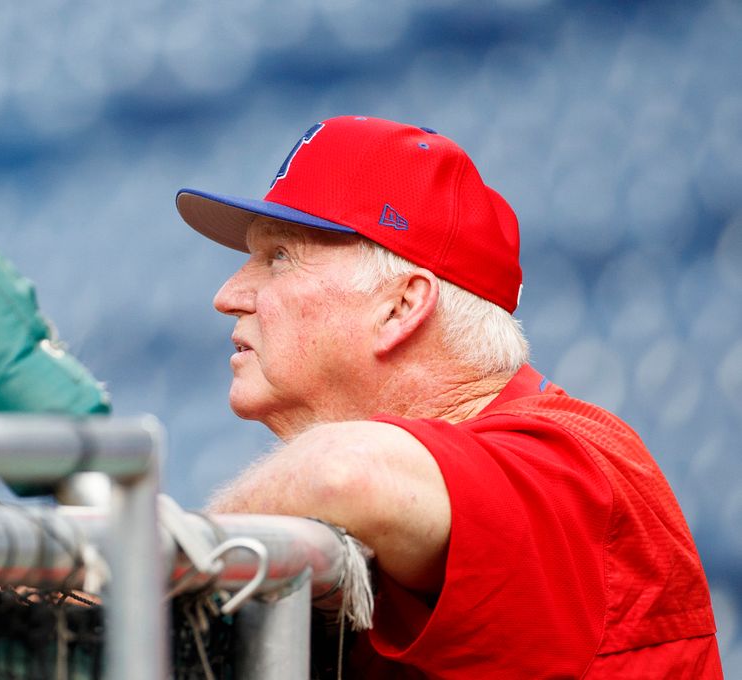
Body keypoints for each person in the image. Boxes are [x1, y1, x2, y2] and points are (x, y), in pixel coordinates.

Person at [175, 115, 722, 678]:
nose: (228, 294)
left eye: (279, 257)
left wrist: (152, 571)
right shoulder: (416, 502)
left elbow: (344, 474)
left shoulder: (576, 463)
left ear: (402, 307)